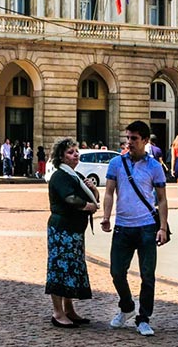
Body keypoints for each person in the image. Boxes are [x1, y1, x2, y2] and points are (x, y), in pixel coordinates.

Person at [101, 120, 169, 337]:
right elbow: (110, 192)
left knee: (147, 275)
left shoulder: (154, 167)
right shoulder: (116, 163)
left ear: (145, 141)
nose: (129, 142)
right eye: (127, 138)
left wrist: (163, 227)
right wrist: (105, 216)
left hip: (147, 227)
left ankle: (144, 317)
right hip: (123, 226)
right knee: (116, 272)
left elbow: (162, 199)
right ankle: (127, 306)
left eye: (134, 139)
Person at [46, 137, 100, 328]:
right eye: (70, 152)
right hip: (62, 230)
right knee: (59, 269)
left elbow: (91, 198)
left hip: (73, 230)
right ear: (61, 156)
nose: (75, 154)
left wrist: (93, 190)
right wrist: (88, 206)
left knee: (70, 269)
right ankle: (58, 313)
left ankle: (69, 309)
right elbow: (70, 199)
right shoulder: (60, 176)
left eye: (76, 151)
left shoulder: (74, 175)